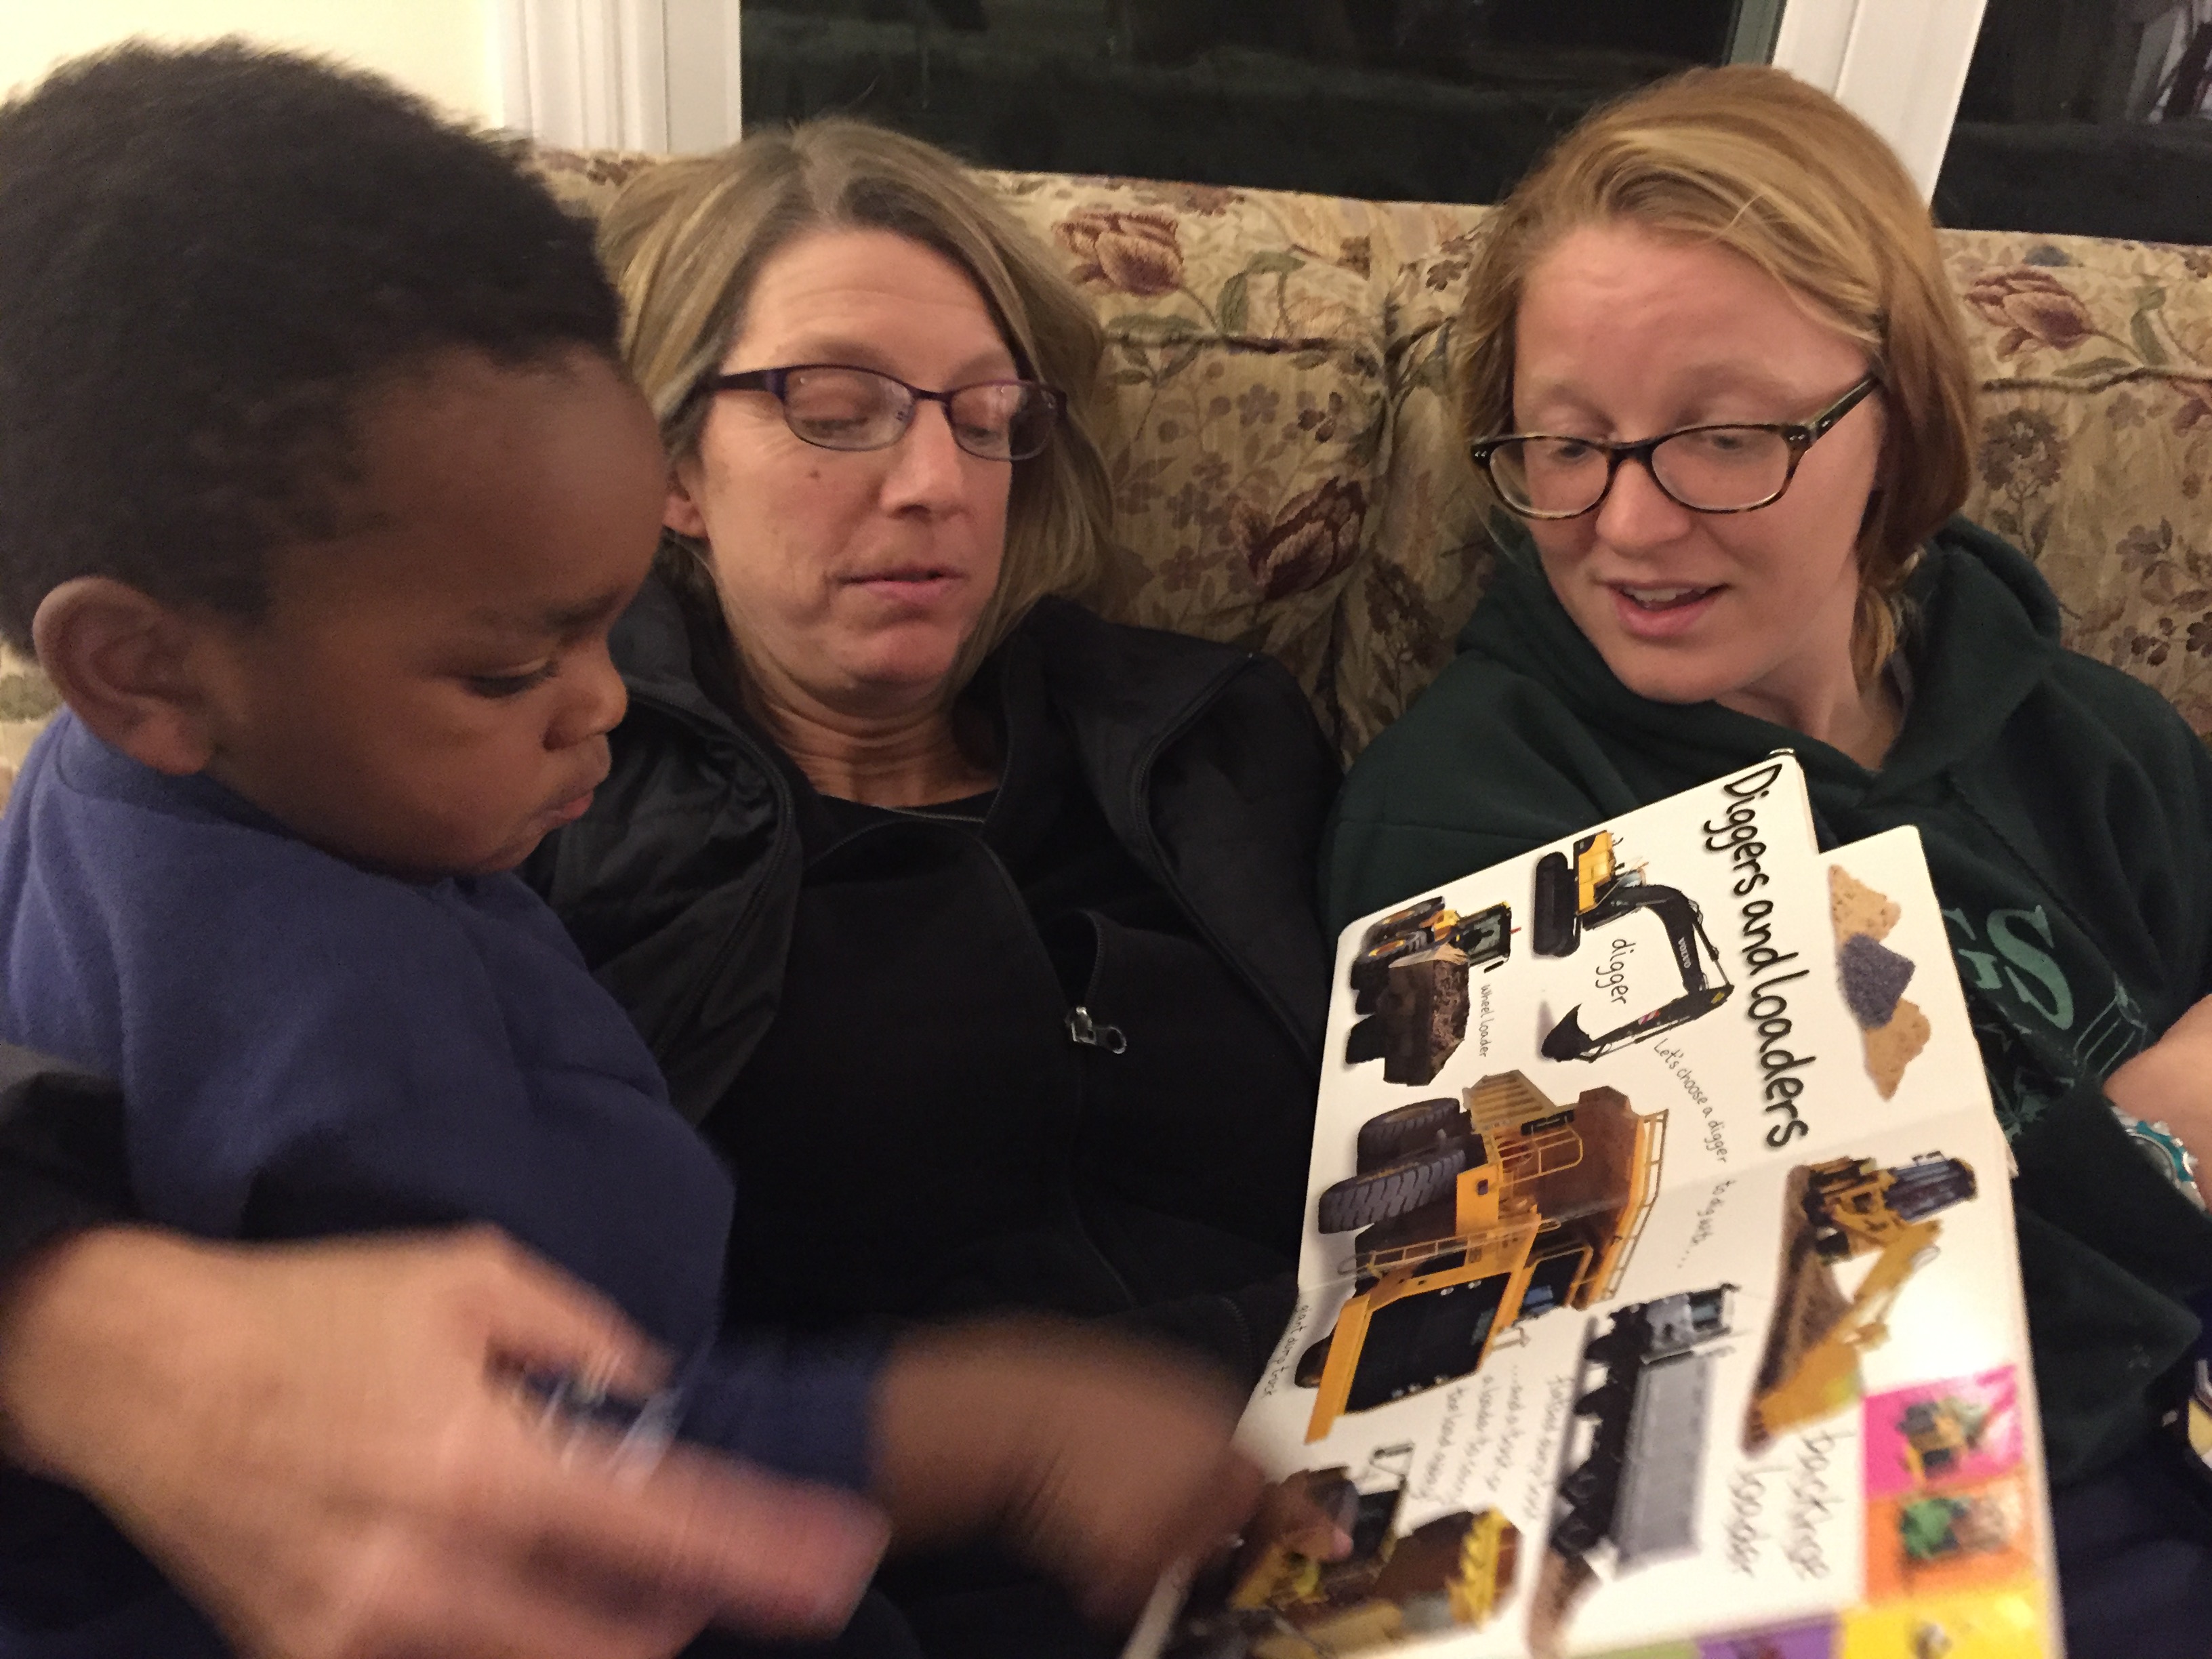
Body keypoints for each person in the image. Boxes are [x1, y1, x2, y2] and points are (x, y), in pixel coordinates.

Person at [0, 92, 1334, 1659]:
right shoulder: (353, 949)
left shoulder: (333, 788)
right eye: (834, 405)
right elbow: (538, 1449)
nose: (599, 700)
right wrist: (1007, 1430)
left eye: (988, 412)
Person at [1322, 64, 2212, 1653]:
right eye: (1567, 445)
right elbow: (1667, 1445)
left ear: (1901, 422)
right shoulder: (1476, 834)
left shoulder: (2095, 744)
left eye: (1726, 439)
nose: (1629, 527)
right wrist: (2149, 1146)